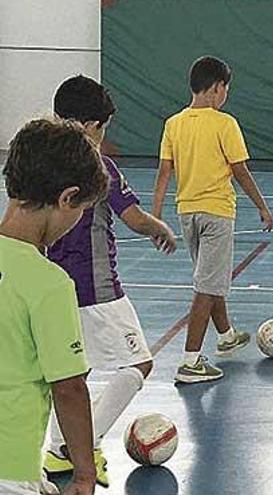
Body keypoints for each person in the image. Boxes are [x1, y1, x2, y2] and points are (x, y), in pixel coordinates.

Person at [42, 75, 178, 488]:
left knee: (71, 373)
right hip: (99, 289)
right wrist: (160, 228)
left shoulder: (44, 163)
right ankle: (84, 442)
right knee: (139, 362)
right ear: (90, 125)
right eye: (103, 128)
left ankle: (56, 451)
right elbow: (133, 217)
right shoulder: (98, 166)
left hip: (52, 286)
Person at [1, 118, 109, 495]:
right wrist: (83, 475)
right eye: (81, 209)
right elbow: (69, 389)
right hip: (10, 468)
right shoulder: (48, 284)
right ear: (67, 198)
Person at [152, 55, 273, 384]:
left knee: (211, 278)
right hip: (217, 213)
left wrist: (156, 215)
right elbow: (239, 170)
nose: (226, 96)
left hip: (186, 213)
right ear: (217, 88)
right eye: (226, 89)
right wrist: (261, 206)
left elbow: (165, 171)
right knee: (207, 285)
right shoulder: (225, 124)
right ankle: (190, 360)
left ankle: (226, 336)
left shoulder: (173, 124)